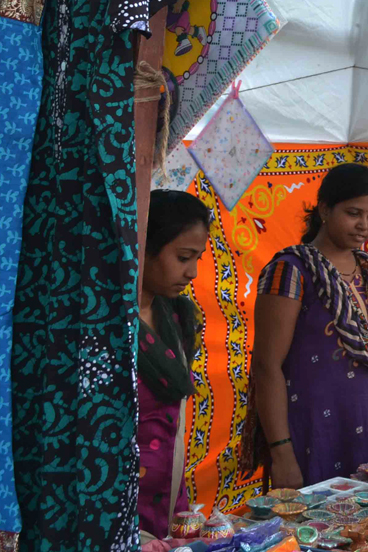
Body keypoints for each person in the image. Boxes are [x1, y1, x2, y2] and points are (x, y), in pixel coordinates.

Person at [243, 164, 368, 489]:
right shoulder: (291, 271)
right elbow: (266, 365)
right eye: (353, 213)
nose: (364, 225)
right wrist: (281, 452)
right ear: (325, 209)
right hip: (316, 435)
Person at [138, 190, 210, 541]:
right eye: (183, 257)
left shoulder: (177, 317)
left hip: (168, 494)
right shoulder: (105, 327)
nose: (193, 272)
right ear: (143, 246)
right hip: (119, 506)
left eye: (197, 258)